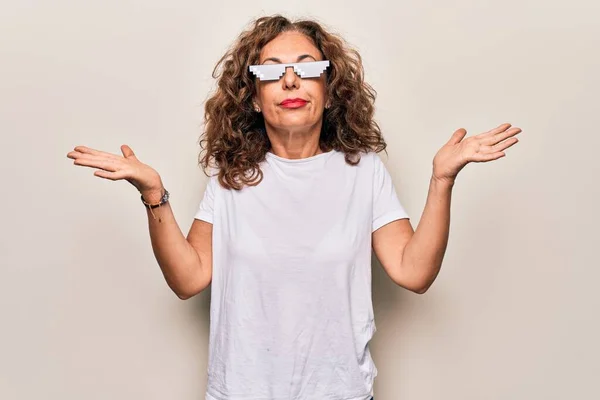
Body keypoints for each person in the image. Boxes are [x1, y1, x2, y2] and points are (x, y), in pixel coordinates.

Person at [66, 14, 521, 400]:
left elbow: (413, 272)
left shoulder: (363, 171)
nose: (288, 81)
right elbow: (188, 279)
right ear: (255, 97)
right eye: (271, 71)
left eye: (306, 68)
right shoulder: (231, 178)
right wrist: (153, 193)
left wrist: (442, 180)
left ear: (329, 87)